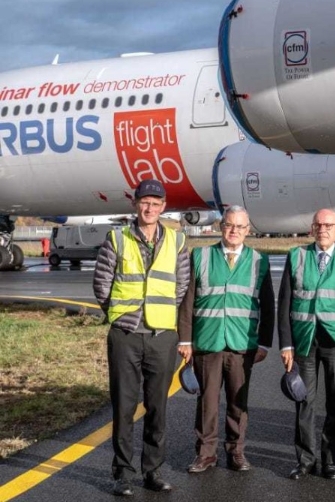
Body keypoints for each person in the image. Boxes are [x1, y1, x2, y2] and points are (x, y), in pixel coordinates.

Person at [92, 179, 190, 496]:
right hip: (126, 334)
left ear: (163, 207)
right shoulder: (116, 239)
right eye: (144, 202)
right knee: (124, 405)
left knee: (157, 407)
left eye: (156, 203)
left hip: (162, 335)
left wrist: (161, 316)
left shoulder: (177, 241)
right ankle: (122, 472)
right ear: (136, 204)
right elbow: (102, 283)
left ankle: (153, 471)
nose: (149, 208)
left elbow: (181, 287)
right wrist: (120, 316)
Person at [177, 206, 275, 474]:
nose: (234, 231)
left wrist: (264, 343)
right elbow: (187, 303)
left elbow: (268, 306)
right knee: (207, 401)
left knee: (238, 402)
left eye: (240, 227)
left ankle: (236, 451)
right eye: (229, 225)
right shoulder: (201, 256)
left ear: (248, 230)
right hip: (207, 342)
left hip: (242, 345)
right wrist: (185, 339)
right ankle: (206, 453)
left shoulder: (259, 261)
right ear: (221, 227)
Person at [278, 209, 335, 481]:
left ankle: (331, 461)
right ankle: (305, 460)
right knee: (304, 401)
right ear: (311, 229)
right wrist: (286, 344)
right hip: (304, 339)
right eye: (318, 224)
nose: (323, 229)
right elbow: (285, 304)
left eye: (328, 225)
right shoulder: (297, 256)